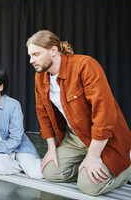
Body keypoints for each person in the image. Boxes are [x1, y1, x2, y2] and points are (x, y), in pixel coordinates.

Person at [26, 30, 131, 196]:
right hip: (75, 138)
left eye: (36, 54)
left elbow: (105, 114)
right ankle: (90, 167)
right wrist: (51, 148)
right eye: (30, 55)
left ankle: (126, 168)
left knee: (88, 187)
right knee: (50, 172)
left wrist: (94, 155)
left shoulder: (85, 65)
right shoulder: (40, 77)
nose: (32, 60)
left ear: (53, 50)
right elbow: (43, 114)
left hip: (104, 139)